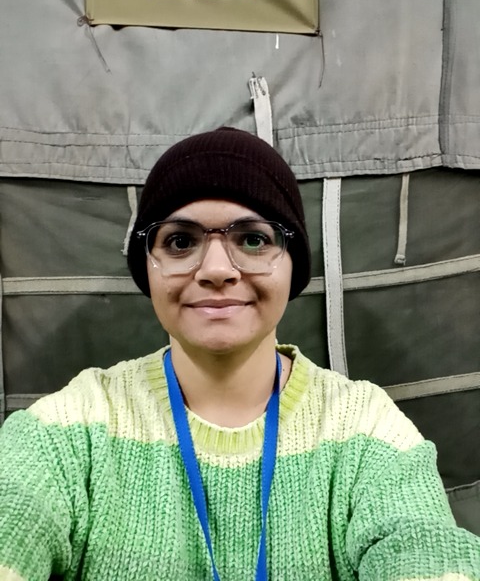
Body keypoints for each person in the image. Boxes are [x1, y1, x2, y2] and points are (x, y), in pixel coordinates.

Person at [0, 127, 479, 581]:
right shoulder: (76, 426)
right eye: (180, 241)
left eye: (253, 239)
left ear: (293, 265)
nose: (216, 270)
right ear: (147, 268)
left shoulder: (363, 427)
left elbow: (421, 544)